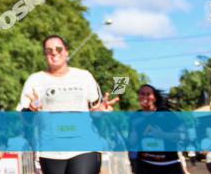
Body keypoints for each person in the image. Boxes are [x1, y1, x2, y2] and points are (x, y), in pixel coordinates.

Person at [17, 35, 118, 174]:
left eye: (58, 48)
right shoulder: (35, 80)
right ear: (45, 54)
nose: (54, 52)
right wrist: (31, 110)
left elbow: (94, 110)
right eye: (49, 50)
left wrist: (101, 109)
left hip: (85, 145)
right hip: (51, 150)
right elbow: (24, 119)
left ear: (66, 52)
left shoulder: (84, 76)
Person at [129, 85, 184, 174]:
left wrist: (162, 135)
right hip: (145, 166)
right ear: (139, 97)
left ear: (154, 98)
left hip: (169, 166)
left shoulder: (166, 114)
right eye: (142, 94)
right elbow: (132, 142)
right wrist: (134, 131)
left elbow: (180, 136)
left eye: (148, 94)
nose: (145, 97)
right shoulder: (135, 117)